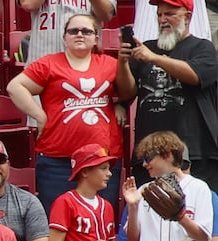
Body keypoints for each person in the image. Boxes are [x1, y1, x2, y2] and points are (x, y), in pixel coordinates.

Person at [8, 14, 130, 210]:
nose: (79, 35)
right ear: (64, 37)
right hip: (58, 161)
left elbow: (129, 91)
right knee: (58, 221)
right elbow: (15, 87)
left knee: (100, 222)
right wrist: (38, 115)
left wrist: (121, 104)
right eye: (73, 31)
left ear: (96, 38)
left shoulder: (109, 64)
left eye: (86, 31)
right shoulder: (49, 64)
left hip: (102, 159)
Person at [119, 1, 218, 193]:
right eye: (159, 15)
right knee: (150, 218)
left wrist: (154, 58)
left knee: (194, 216)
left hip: (195, 154)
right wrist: (123, 62)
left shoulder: (202, 47)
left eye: (169, 14)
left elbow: (195, 76)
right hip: (149, 157)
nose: (162, 20)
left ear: (187, 16)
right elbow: (126, 93)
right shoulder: (146, 49)